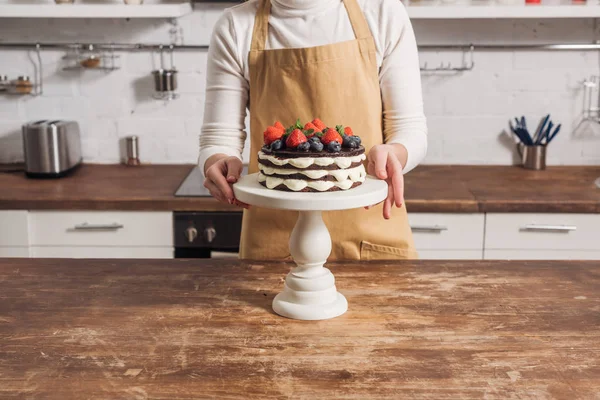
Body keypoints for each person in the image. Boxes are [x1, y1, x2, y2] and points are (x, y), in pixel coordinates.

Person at [200, 0, 427, 260]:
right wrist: (217, 160)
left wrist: (394, 154)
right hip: (276, 241)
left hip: (371, 235)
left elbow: (409, 127)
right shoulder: (235, 26)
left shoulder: (383, 12)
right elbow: (219, 137)